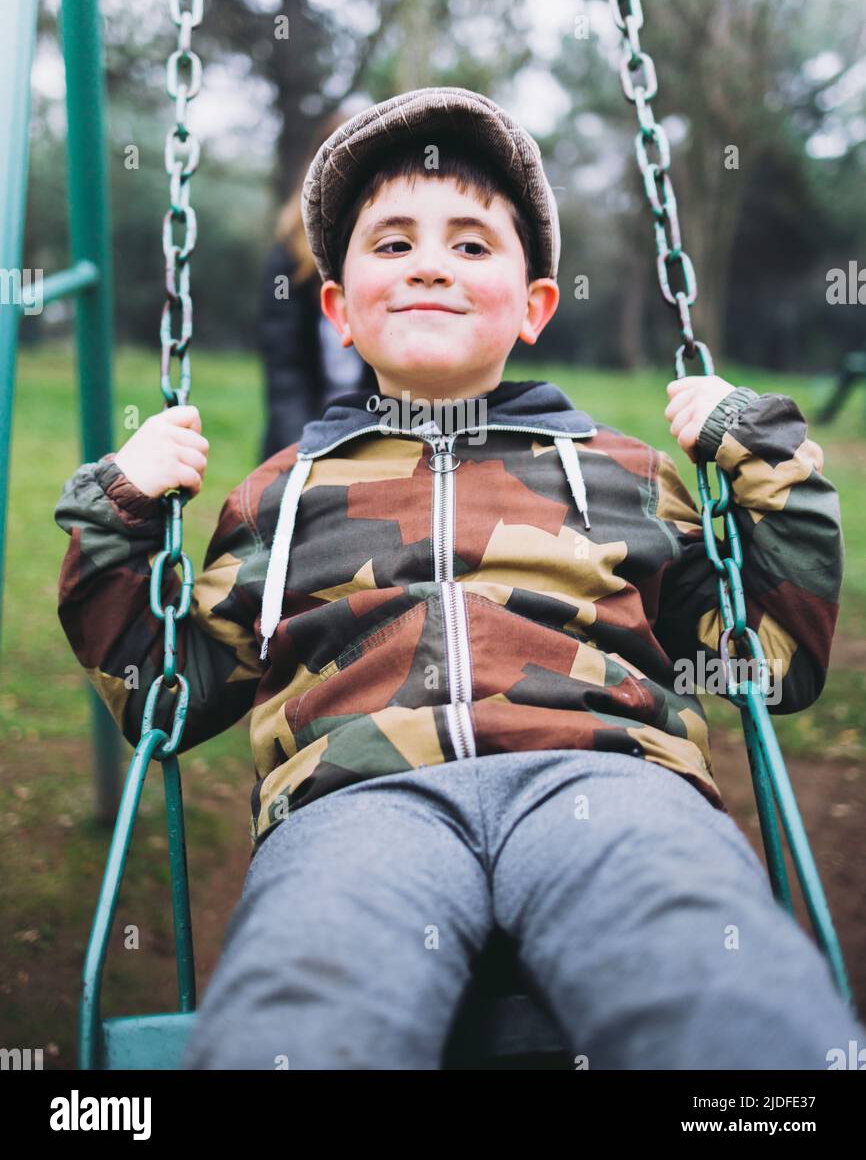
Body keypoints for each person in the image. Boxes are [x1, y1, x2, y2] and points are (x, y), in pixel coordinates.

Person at [54, 86, 864, 1070]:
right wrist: (117, 512)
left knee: (705, 967)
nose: (430, 261)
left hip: (605, 777)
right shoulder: (278, 495)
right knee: (301, 1007)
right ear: (337, 307)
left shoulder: (624, 474)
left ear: (532, 307)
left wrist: (769, 460)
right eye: (390, 244)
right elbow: (166, 701)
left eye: (471, 244)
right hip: (354, 804)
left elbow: (768, 664)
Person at [259, 110, 377, 463]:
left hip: (374, 432)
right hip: (303, 434)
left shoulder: (392, 256)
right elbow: (285, 372)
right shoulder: (289, 259)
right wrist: (304, 455)